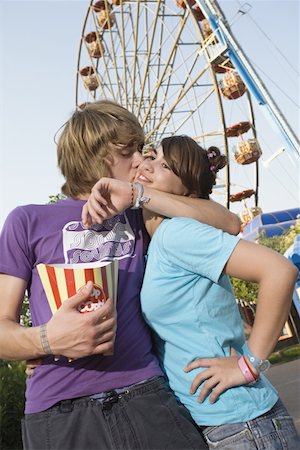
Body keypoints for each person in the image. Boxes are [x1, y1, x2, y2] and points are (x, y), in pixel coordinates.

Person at [0, 101, 240, 450]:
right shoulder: (26, 222)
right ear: (96, 156)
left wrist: (138, 195)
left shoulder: (141, 213)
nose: (141, 161)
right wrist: (47, 340)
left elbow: (228, 223)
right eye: (130, 151)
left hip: (146, 395)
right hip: (59, 410)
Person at [83, 135, 299, 449]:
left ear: (190, 194)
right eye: (152, 155)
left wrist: (251, 363)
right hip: (222, 423)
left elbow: (280, 271)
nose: (148, 165)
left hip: (241, 423)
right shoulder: (154, 243)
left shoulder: (178, 233)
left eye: (164, 165)